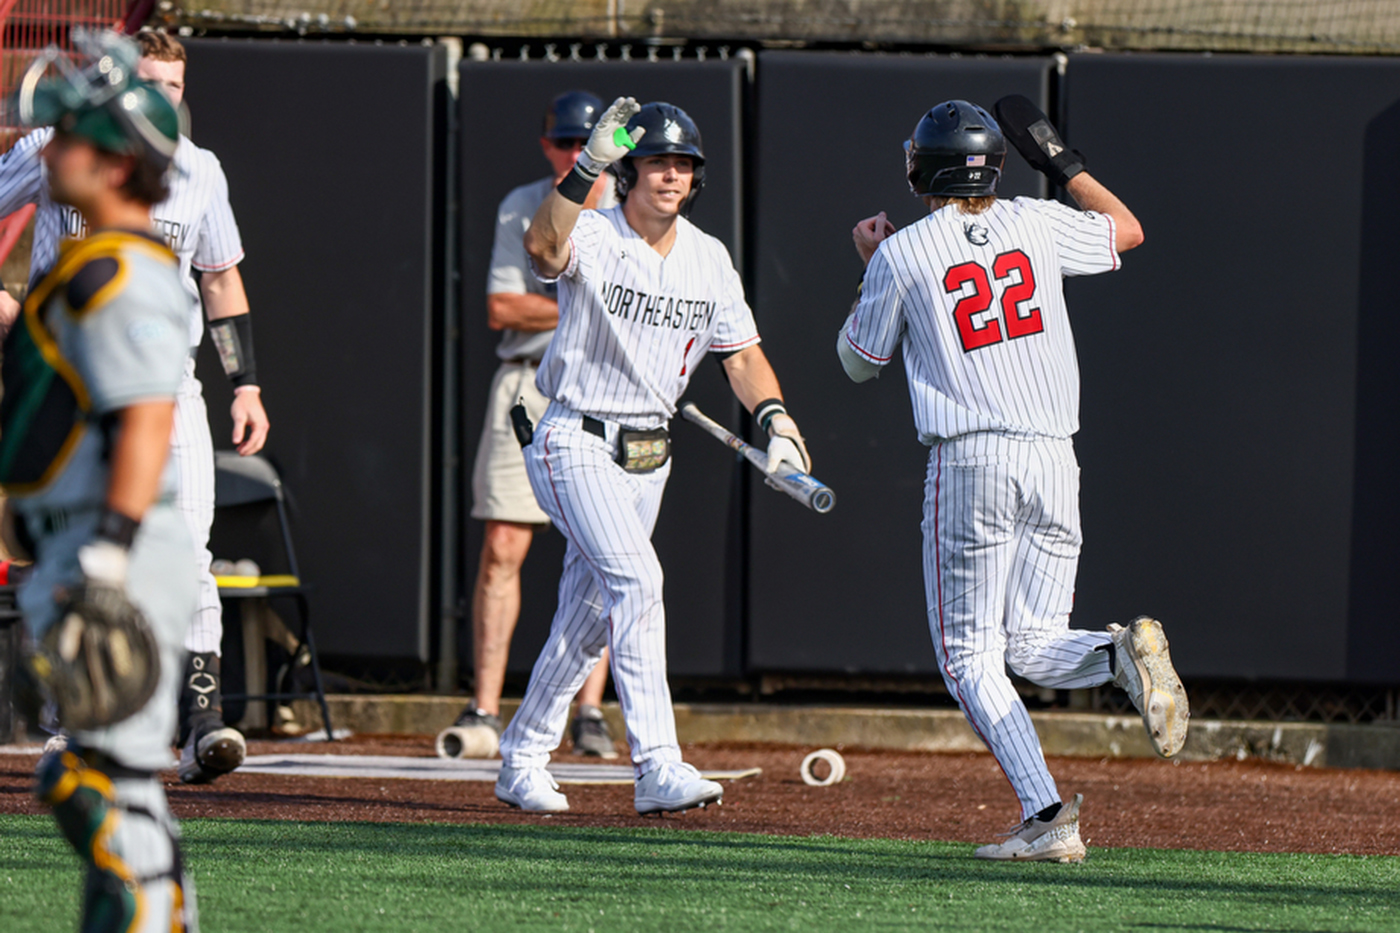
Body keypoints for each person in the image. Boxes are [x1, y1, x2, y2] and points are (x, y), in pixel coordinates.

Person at [838, 97, 1188, 862]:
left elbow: (860, 363)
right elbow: (1126, 229)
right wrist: (1061, 162)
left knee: (969, 658)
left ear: (919, 167)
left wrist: (874, 267)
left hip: (973, 460)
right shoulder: (1033, 218)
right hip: (1054, 455)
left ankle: (1046, 812)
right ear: (994, 164)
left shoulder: (905, 252)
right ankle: (1118, 650)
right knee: (1029, 642)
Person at [494, 98, 812, 814]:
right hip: (573, 436)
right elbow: (544, 250)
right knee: (638, 580)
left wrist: (777, 419)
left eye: (684, 165)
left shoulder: (709, 257)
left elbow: (741, 354)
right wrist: (586, 167)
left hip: (649, 452)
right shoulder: (596, 232)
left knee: (587, 616)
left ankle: (521, 756)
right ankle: (657, 766)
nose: (671, 175)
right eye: (659, 162)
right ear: (632, 170)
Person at [0, 29, 270, 784]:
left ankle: (203, 720)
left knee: (189, 549)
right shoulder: (65, 147)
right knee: (72, 554)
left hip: (163, 377)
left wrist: (245, 382)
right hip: (70, 378)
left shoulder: (197, 171)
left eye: (171, 87)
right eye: (143, 80)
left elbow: (220, 279)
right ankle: (70, 721)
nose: (156, 97)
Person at [1, 30, 198, 929]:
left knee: (97, 782)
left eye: (76, 136)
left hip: (110, 549)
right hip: (73, 543)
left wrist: (110, 554)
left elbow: (148, 412)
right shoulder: (85, 264)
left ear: (121, 161)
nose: (57, 149)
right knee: (108, 785)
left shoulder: (125, 269)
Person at [445, 91, 618, 760]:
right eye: (564, 143)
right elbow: (502, 306)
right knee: (503, 544)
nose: (577, 155)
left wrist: (564, 294)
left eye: (588, 143)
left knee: (602, 555)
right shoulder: (524, 204)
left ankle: (591, 709)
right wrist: (579, 294)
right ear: (548, 146)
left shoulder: (627, 208)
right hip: (526, 381)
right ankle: (485, 704)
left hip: (600, 388)